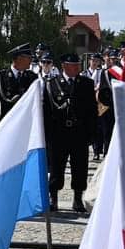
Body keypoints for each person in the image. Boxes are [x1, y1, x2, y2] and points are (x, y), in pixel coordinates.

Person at [43, 53, 97, 213]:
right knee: (56, 167)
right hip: (58, 133)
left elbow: (92, 111)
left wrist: (91, 133)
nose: (77, 68)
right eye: (74, 65)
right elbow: (46, 111)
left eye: (78, 65)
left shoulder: (86, 83)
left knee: (80, 166)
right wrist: (47, 135)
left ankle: (77, 198)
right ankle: (53, 198)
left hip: (79, 132)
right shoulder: (51, 84)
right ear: (65, 66)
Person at [0, 43, 38, 131]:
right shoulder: (0, 77)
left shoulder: (32, 77)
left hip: (27, 128)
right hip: (7, 128)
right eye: (29, 58)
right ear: (19, 58)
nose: (31, 61)